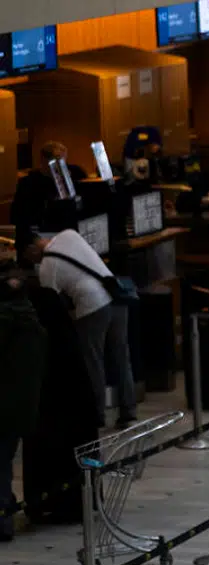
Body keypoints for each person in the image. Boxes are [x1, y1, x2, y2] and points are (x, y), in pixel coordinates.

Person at [30, 229, 136, 428]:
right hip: (117, 298)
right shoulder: (70, 235)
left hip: (93, 306)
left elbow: (52, 303)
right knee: (121, 357)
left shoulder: (46, 267)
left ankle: (96, 415)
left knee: (93, 362)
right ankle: (128, 412)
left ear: (32, 248)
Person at [0, 273, 46, 541]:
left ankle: (3, 520)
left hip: (3, 405)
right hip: (23, 406)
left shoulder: (5, 324)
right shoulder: (34, 324)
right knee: (4, 459)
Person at [11, 142, 88, 251]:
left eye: (62, 161)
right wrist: (34, 240)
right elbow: (19, 221)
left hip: (70, 236)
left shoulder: (75, 175)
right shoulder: (29, 184)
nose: (59, 167)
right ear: (43, 161)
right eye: (54, 162)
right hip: (41, 236)